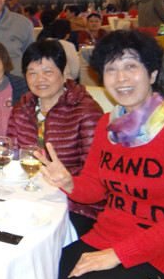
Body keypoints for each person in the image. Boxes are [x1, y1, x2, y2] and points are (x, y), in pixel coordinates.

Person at [39, 30, 164, 279]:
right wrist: (68, 182)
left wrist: (117, 254)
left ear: (153, 73)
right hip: (106, 237)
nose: (121, 78)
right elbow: (95, 187)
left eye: (131, 66)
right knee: (36, 277)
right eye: (111, 69)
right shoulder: (109, 125)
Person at [6, 40, 103, 234]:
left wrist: (66, 184)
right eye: (32, 72)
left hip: (77, 205)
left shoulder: (85, 110)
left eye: (47, 71)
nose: (39, 79)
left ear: (64, 71)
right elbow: (12, 155)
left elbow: (96, 176)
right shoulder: (22, 108)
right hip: (30, 196)